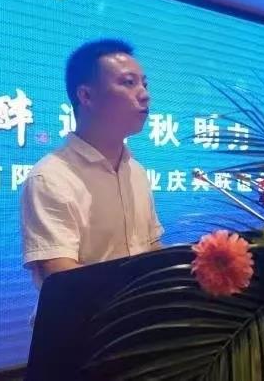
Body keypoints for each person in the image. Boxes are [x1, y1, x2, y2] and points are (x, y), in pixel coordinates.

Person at [22, 39, 163, 288]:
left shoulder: (136, 171)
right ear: (86, 96)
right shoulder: (51, 178)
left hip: (142, 312)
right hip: (89, 314)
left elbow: (150, 247)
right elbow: (60, 276)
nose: (144, 94)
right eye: (129, 83)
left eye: (144, 83)